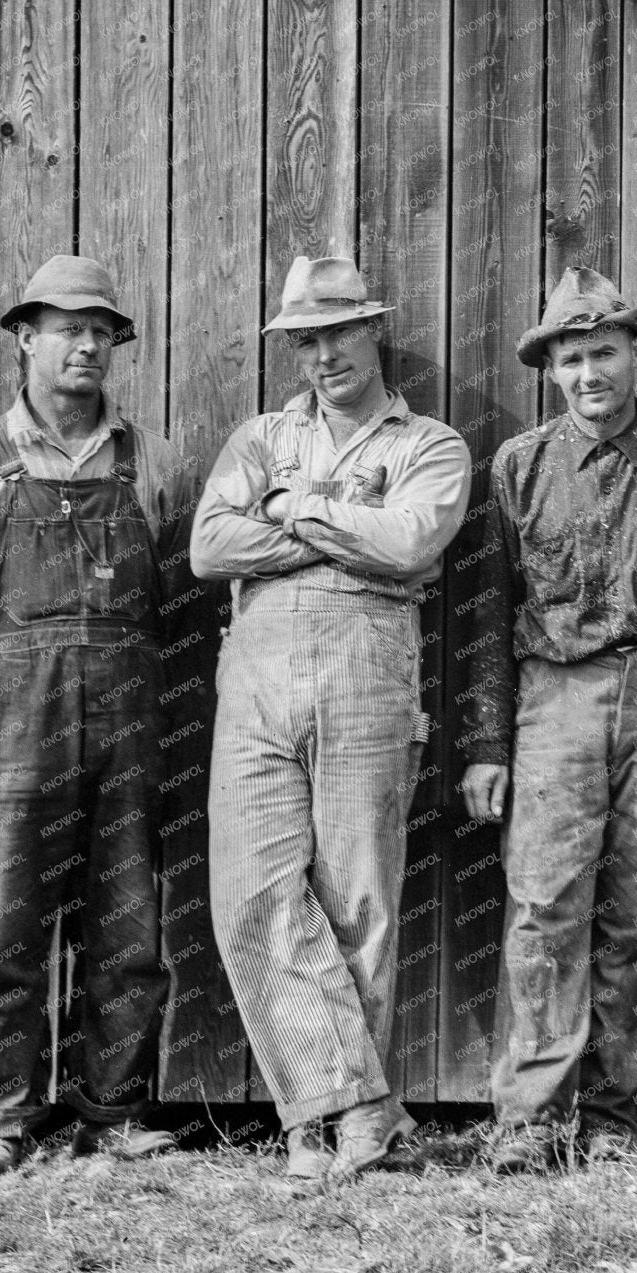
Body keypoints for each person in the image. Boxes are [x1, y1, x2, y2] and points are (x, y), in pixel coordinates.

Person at [0, 254, 193, 1174]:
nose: (84, 345)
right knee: (8, 930)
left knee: (127, 925)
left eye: (100, 330)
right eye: (66, 328)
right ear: (25, 338)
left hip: (128, 726)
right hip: (13, 729)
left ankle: (111, 1112)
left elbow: (182, 596)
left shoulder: (149, 460)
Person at [192, 255, 471, 1181]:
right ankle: (354, 1101)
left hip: (370, 672)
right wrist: (344, 525)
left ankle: (325, 1130)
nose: (321, 356)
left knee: (359, 897)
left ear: (372, 331)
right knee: (253, 890)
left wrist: (290, 507)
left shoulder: (429, 444)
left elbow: (410, 543)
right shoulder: (260, 434)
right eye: (304, 341)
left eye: (336, 334)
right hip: (258, 677)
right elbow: (208, 545)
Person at [462, 267, 637, 1174]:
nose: (590, 373)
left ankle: (625, 1111)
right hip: (553, 700)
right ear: (553, 368)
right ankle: (531, 1118)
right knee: (544, 903)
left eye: (605, 353)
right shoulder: (517, 466)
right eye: (573, 358)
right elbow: (489, 617)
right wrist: (486, 744)